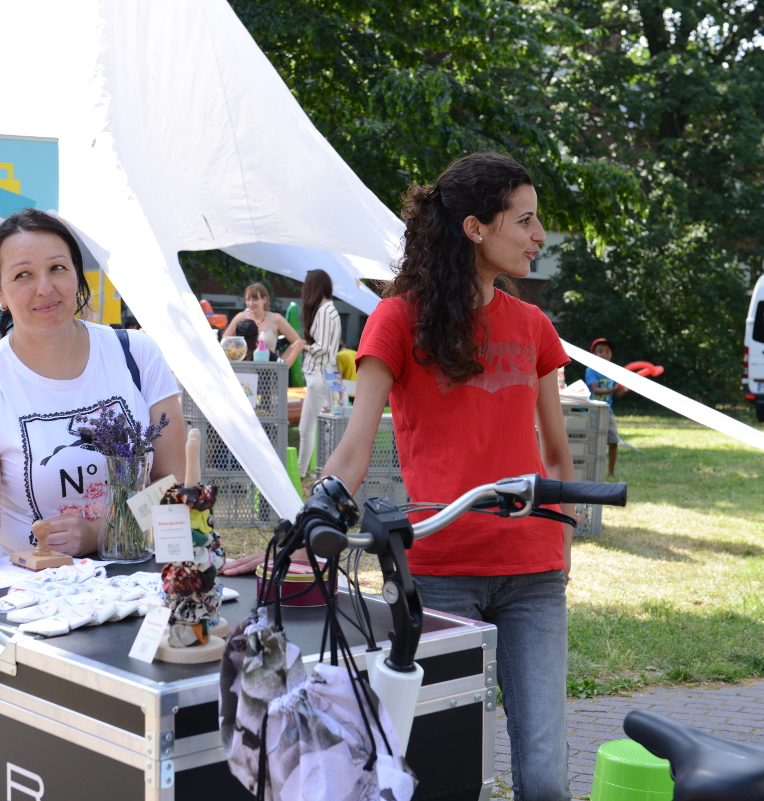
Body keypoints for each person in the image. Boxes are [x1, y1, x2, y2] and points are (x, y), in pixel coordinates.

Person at [225, 153, 575, 801]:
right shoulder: (398, 319)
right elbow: (353, 451)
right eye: (525, 220)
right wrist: (303, 530)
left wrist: (563, 544)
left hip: (533, 575)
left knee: (545, 774)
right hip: (439, 574)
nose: (538, 235)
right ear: (475, 228)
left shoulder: (533, 326)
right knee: (438, 770)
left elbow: (556, 455)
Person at [0, 210, 186, 593]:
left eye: (57, 268)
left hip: (143, 583)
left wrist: (101, 531)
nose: (44, 288)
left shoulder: (136, 354)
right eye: (23, 275)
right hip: (34, 596)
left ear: (77, 275)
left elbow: (175, 484)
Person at [294, 269, 340, 477]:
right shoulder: (331, 310)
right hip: (325, 374)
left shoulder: (324, 311)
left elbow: (322, 347)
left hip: (318, 374)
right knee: (313, 429)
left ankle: (310, 474)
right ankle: (306, 473)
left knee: (313, 429)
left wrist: (304, 347)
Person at [585, 337, 629, 477]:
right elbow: (596, 390)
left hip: (608, 411)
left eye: (607, 351)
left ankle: (611, 472)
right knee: (593, 444)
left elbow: (614, 396)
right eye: (600, 351)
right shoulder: (591, 370)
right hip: (593, 411)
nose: (604, 354)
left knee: (613, 441)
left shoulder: (613, 371)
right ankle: (591, 471)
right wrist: (614, 389)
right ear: (593, 354)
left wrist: (624, 390)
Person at [223, 283, 303, 355]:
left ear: (264, 299)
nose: (250, 303)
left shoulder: (276, 319)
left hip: (268, 366)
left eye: (255, 299)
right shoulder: (240, 318)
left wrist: (283, 362)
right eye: (248, 299)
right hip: (244, 366)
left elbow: (298, 342)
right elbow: (224, 342)